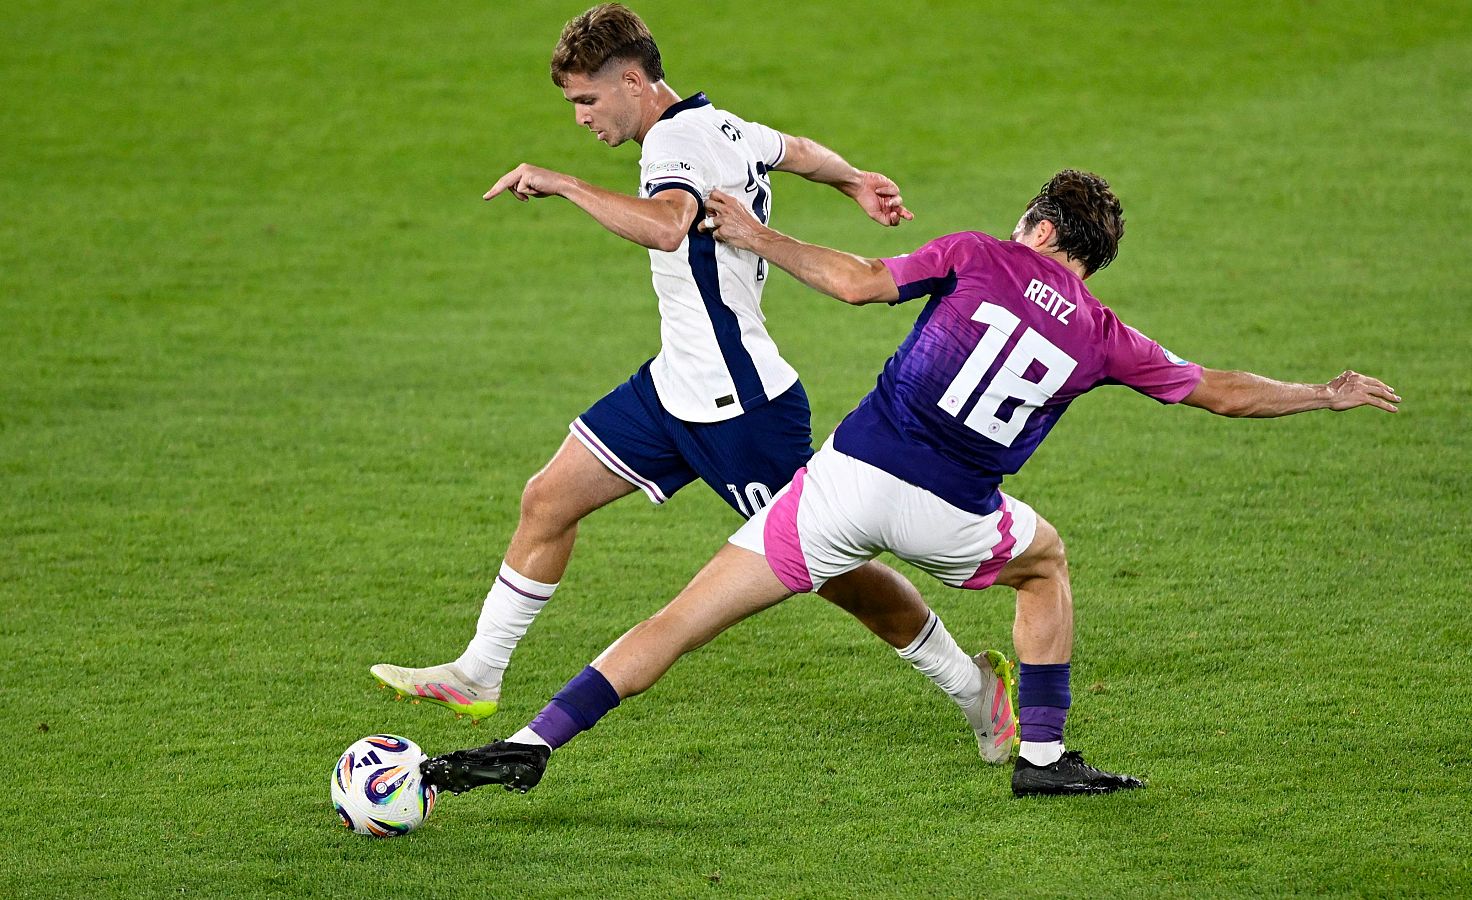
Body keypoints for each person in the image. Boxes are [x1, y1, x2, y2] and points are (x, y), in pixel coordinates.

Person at [419, 167, 1403, 797]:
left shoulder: (979, 254)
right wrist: (1321, 394)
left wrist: (759, 240)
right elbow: (1218, 392)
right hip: (953, 518)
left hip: (840, 487)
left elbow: (854, 283)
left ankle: (534, 744)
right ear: (1091, 258)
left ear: (1037, 224)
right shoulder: (1105, 335)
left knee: (678, 620)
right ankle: (1044, 758)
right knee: (1045, 563)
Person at [370, 3, 1020, 766]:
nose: (580, 117)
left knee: (835, 572)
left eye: (587, 99)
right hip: (675, 385)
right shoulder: (722, 125)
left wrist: (564, 184)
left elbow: (668, 223)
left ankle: (974, 688)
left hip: (740, 408)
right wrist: (854, 181)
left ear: (635, 81)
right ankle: (477, 672)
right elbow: (799, 149)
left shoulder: (673, 141)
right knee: (547, 499)